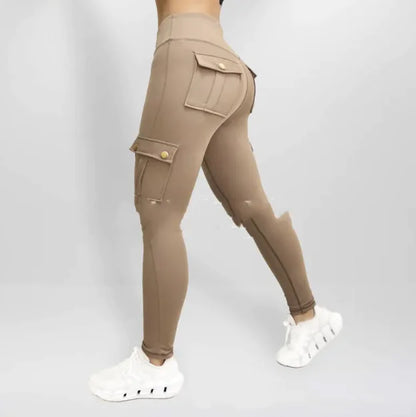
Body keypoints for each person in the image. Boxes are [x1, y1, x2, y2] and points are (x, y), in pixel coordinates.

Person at [88, 0, 343, 401]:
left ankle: (155, 365)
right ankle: (309, 317)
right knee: (252, 206)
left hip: (186, 57)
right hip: (230, 69)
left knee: (159, 213)